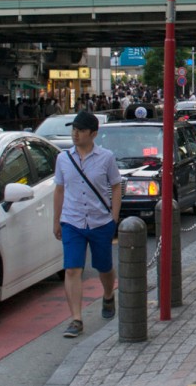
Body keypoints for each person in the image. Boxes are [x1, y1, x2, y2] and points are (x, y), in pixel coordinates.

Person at [53, 110, 122, 339]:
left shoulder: (106, 158)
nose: (75, 134)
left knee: (104, 267)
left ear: (93, 134)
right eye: (74, 129)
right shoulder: (63, 158)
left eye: (81, 130)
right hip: (72, 221)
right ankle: (76, 318)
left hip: (100, 221)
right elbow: (60, 189)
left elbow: (116, 186)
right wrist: (57, 220)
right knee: (72, 269)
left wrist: (113, 216)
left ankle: (108, 295)